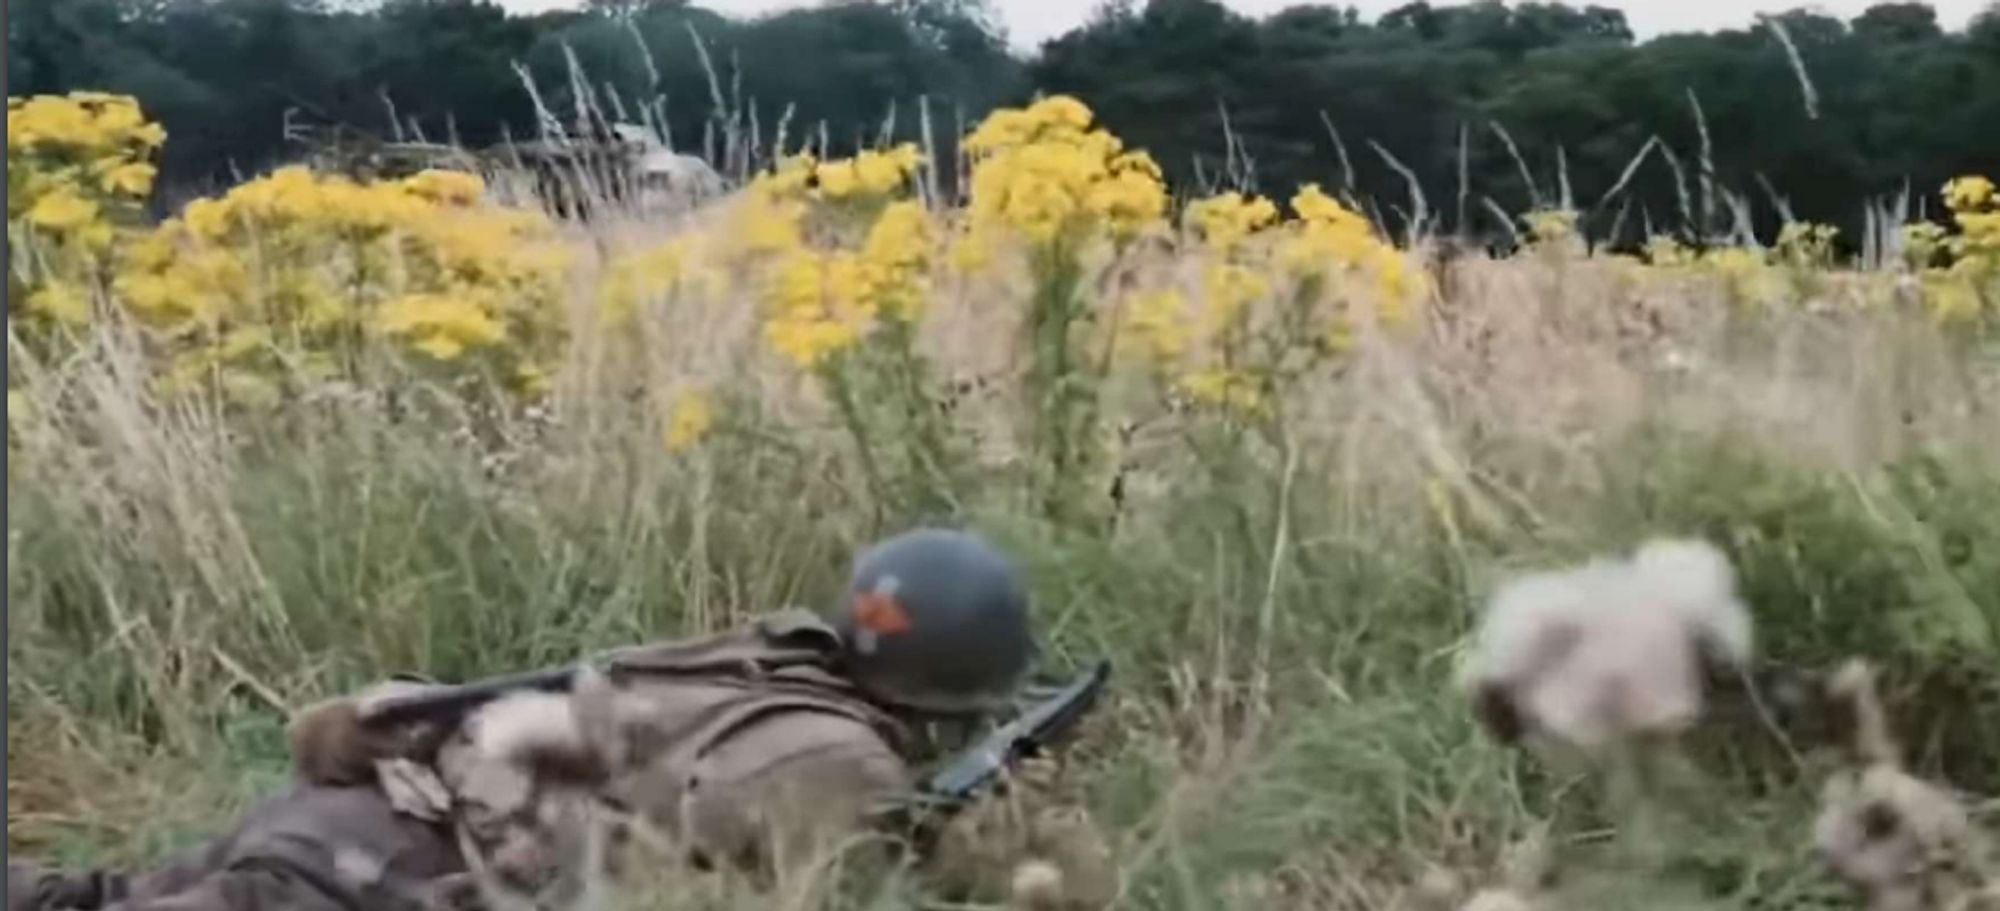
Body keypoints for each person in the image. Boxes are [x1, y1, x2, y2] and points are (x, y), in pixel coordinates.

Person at [9, 527, 1044, 910]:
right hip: (378, 878)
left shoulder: (756, 658)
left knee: (89, 895)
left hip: (348, 810)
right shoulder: (843, 762)